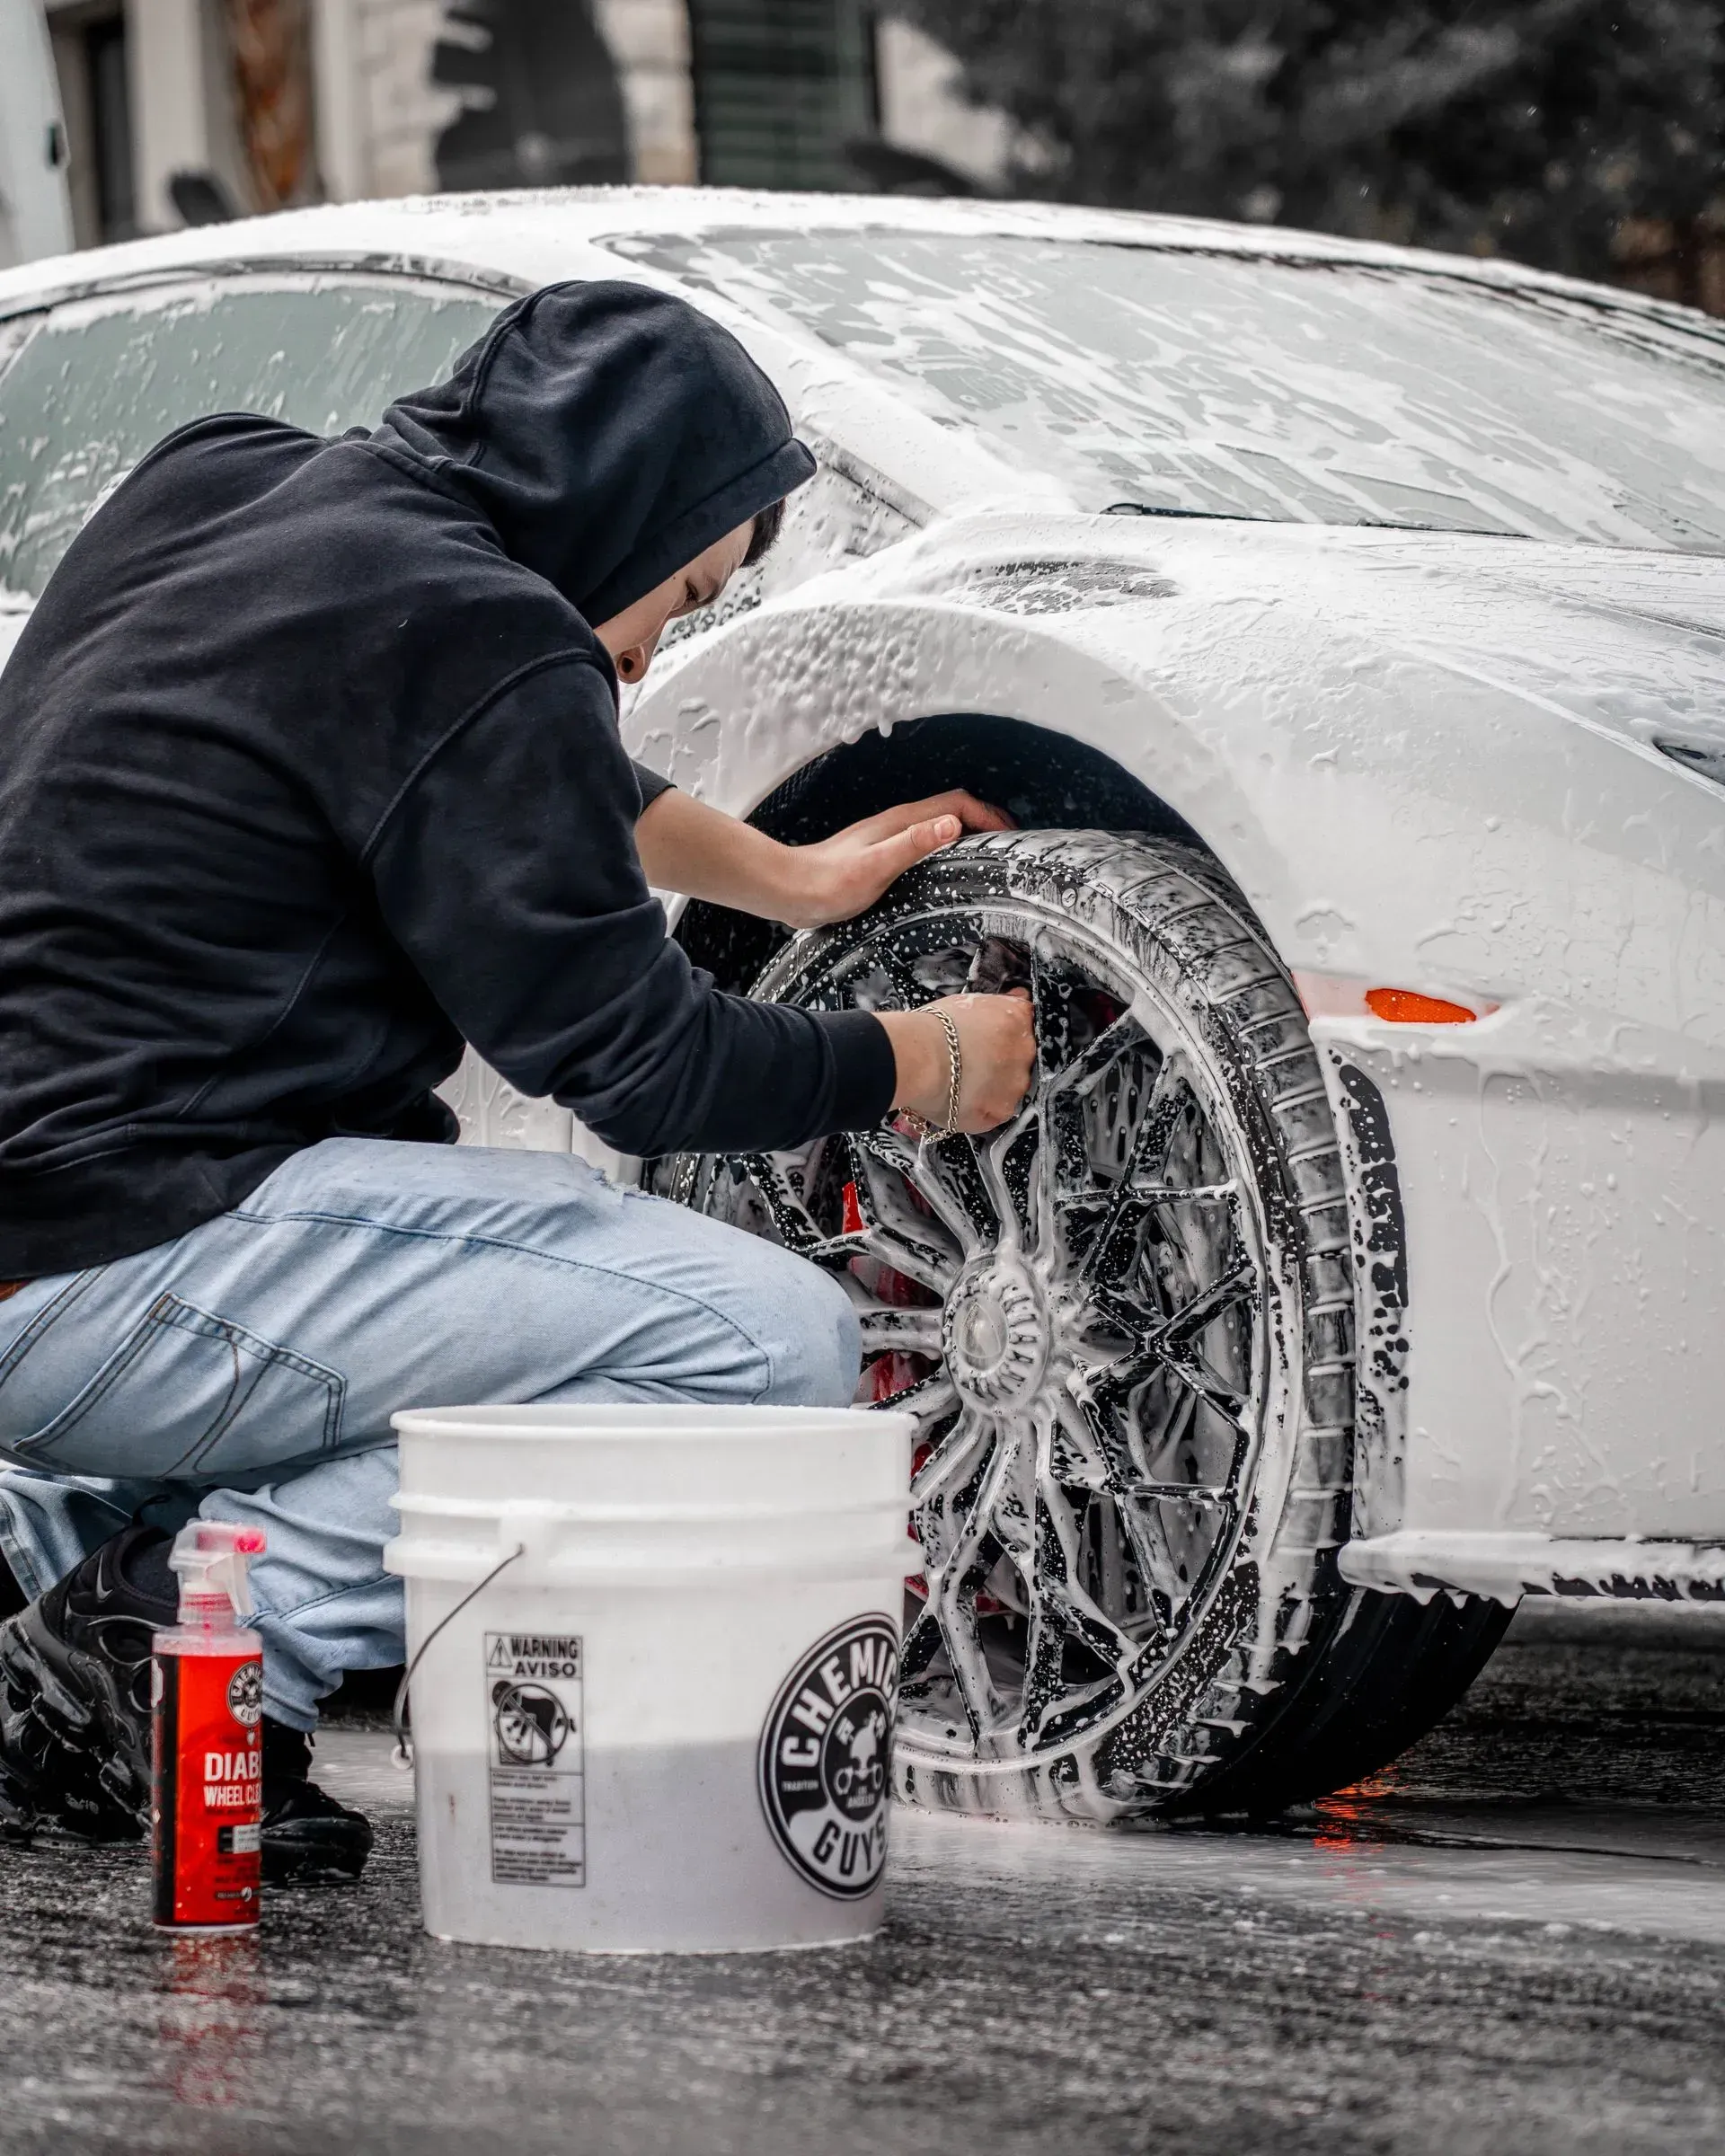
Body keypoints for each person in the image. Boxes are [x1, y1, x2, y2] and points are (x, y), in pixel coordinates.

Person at [0, 282, 1035, 1878]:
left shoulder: (223, 484)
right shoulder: (487, 635)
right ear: (615, 511)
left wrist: (777, 873)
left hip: (48, 1253)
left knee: (496, 1285)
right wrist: (918, 1061)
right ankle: (184, 1634)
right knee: (764, 1344)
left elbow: (486, 749)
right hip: (133, 1238)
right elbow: (634, 1061)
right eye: (677, 591)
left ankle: (55, 1552)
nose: (646, 648)